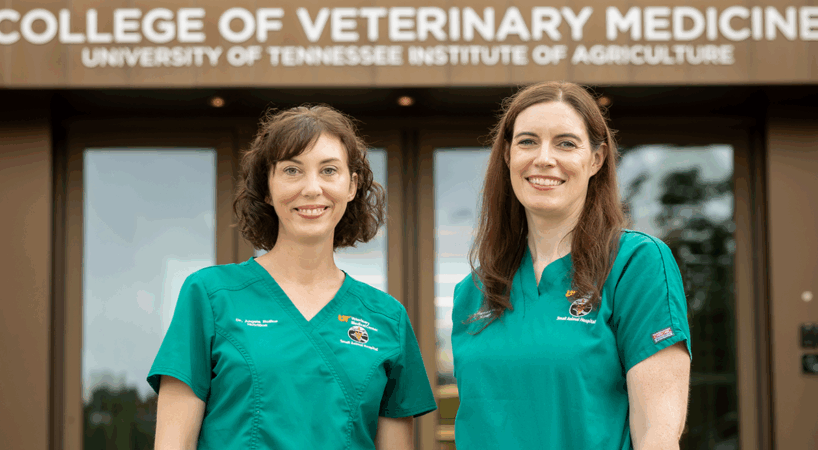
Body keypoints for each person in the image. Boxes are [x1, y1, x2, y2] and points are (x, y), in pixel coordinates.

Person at [147, 105, 437, 450]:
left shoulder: (387, 319)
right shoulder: (210, 295)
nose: (312, 188)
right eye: (292, 170)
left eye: (329, 170)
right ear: (267, 188)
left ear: (352, 186)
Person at [451, 81, 691, 450]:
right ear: (507, 155)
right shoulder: (474, 291)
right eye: (528, 141)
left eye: (566, 143)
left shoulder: (634, 264)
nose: (544, 158)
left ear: (596, 159)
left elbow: (656, 432)